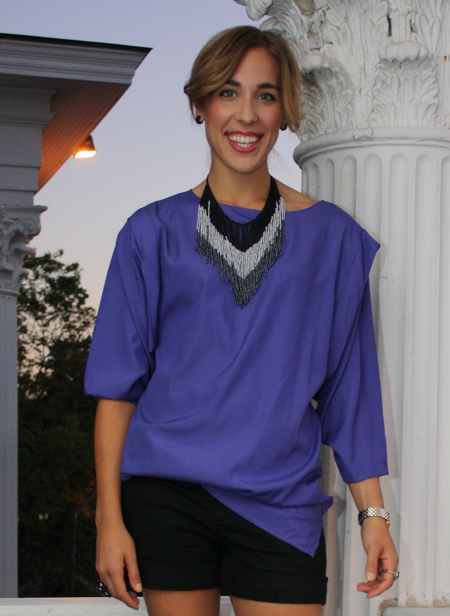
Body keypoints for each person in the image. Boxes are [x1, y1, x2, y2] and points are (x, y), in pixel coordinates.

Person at [85, 25, 399, 616]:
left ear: (284, 113)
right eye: (228, 92)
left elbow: (349, 390)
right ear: (200, 105)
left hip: (281, 500)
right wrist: (110, 520)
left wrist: (373, 514)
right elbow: (116, 390)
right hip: (168, 497)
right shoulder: (150, 233)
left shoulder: (333, 238)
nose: (246, 114)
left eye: (266, 95)